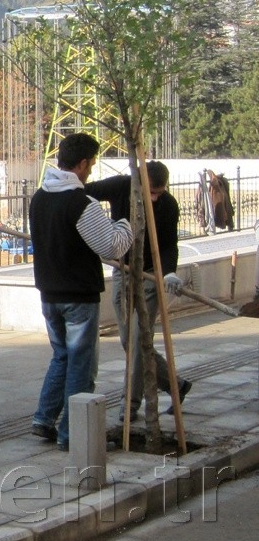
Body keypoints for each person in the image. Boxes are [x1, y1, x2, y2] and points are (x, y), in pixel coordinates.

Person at [29, 132, 134, 449]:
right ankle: (72, 434)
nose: (91, 173)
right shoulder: (81, 204)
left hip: (49, 293)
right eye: (90, 166)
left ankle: (44, 419)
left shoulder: (39, 198)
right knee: (80, 365)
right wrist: (127, 223)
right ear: (84, 163)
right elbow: (111, 246)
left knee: (61, 356)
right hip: (78, 296)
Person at [85, 160, 191, 408]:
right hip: (123, 269)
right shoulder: (122, 186)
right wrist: (101, 228)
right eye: (151, 192)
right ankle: (176, 384)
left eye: (160, 192)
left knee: (138, 337)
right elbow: (85, 193)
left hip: (150, 275)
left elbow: (168, 245)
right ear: (140, 183)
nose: (155, 198)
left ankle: (131, 401)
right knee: (128, 340)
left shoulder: (168, 205)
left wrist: (169, 273)